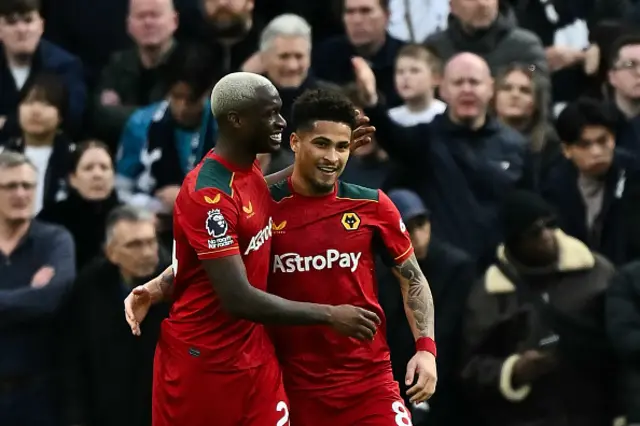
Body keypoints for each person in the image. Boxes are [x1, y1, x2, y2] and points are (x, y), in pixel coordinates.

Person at [124, 72, 377, 426]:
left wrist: (326, 156)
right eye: (270, 113)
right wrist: (330, 315)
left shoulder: (248, 175)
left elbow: (260, 196)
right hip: (203, 366)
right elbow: (238, 298)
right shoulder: (209, 195)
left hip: (255, 359)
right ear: (236, 120)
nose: (281, 122)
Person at [267, 89, 437, 425]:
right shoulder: (262, 206)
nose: (333, 157)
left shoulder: (373, 205)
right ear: (294, 143)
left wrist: (426, 349)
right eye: (321, 144)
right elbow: (210, 248)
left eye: (342, 147)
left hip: (368, 384)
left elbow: (412, 278)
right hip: (290, 387)